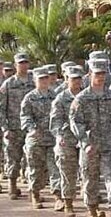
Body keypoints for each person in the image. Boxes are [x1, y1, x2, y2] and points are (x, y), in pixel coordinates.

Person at [70, 59, 111, 217]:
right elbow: (76, 122)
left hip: (109, 145)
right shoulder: (81, 98)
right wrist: (85, 142)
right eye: (97, 74)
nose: (100, 77)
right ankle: (92, 210)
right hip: (90, 147)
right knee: (90, 180)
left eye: (103, 73)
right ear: (90, 75)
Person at [20, 67, 62, 209]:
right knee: (36, 169)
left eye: (46, 78)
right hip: (36, 139)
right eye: (41, 79)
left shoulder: (55, 95)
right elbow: (25, 116)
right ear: (35, 80)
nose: (44, 81)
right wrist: (32, 129)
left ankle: (58, 197)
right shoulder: (29, 97)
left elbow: (60, 115)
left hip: (51, 139)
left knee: (55, 168)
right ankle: (36, 194)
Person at [50, 65, 84, 217]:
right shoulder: (61, 98)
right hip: (67, 139)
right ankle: (68, 203)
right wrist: (59, 136)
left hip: (85, 138)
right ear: (66, 79)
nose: (76, 81)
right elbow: (55, 121)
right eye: (73, 78)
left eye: (79, 78)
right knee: (68, 172)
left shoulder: (86, 95)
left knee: (88, 172)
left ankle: (92, 202)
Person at [0, 52, 35, 200]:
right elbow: (1, 108)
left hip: (30, 128)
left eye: (25, 62)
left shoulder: (34, 82)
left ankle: (34, 191)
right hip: (13, 127)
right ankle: (12, 186)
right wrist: (5, 128)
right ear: (15, 65)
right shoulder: (8, 84)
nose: (23, 65)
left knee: (32, 158)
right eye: (20, 63)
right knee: (13, 158)